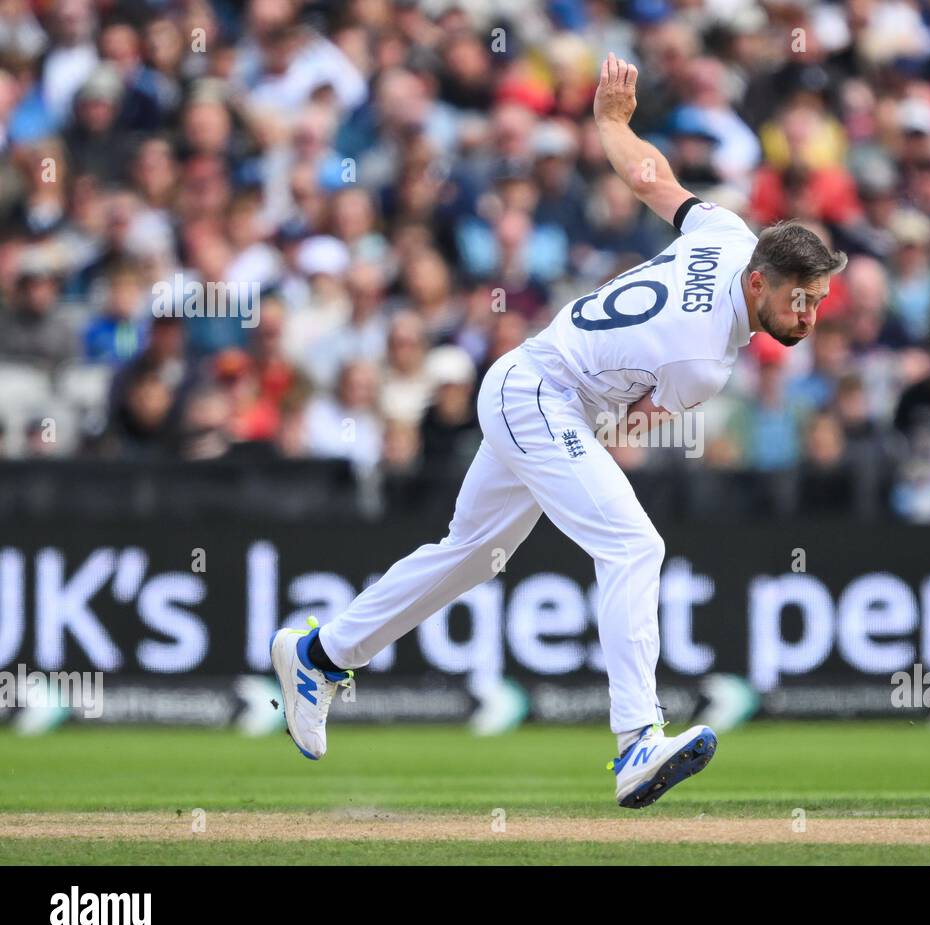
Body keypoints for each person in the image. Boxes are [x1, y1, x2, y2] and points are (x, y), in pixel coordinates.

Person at [268, 54, 846, 809]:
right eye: (801, 300)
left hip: (533, 386)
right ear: (761, 283)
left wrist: (610, 121)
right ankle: (638, 740)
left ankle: (321, 653)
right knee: (634, 544)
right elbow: (637, 420)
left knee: (472, 555)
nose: (809, 316)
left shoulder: (729, 236)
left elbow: (650, 181)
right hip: (541, 396)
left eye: (820, 301)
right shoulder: (703, 360)